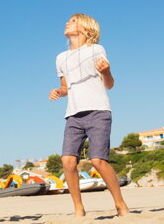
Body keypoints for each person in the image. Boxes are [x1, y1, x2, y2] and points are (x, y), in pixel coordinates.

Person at [48, 13, 130, 217]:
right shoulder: (61, 57)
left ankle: (120, 204)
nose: (67, 22)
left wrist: (107, 72)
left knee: (98, 160)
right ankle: (78, 208)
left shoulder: (96, 50)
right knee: (67, 161)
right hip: (73, 115)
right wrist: (59, 91)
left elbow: (109, 85)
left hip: (98, 110)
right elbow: (65, 87)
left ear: (87, 29)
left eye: (73, 20)